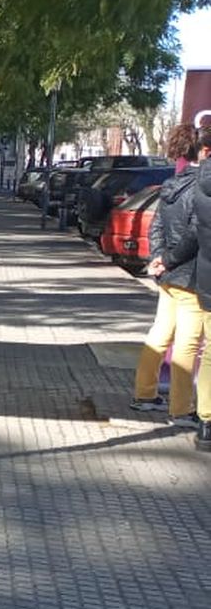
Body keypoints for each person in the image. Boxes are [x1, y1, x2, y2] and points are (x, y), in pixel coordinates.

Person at [132, 127, 209, 425]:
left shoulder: (169, 183)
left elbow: (156, 227)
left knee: (160, 333)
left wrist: (158, 258)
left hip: (168, 276)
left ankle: (144, 393)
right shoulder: (200, 186)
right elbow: (195, 233)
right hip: (189, 276)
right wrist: (170, 258)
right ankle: (180, 409)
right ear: (202, 151)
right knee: (189, 343)